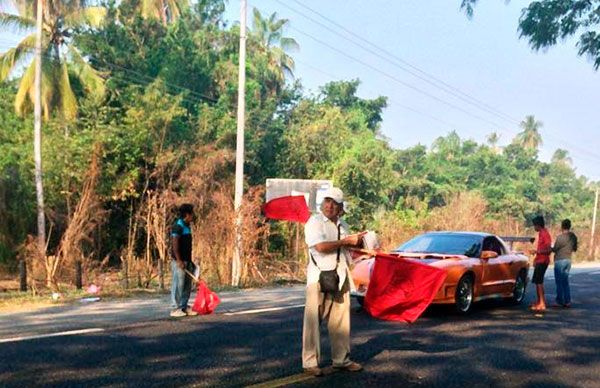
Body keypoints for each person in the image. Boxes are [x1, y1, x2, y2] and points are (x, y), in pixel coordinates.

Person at [302, 187, 364, 376]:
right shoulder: (314, 222)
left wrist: (359, 242)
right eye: (327, 201)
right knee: (313, 321)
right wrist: (346, 241)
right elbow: (320, 247)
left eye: (334, 203)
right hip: (319, 277)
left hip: (341, 275)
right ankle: (310, 362)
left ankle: (341, 360)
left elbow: (347, 249)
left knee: (341, 322)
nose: (329, 206)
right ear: (322, 203)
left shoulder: (343, 225)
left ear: (340, 208)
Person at [170, 204, 198, 318]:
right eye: (192, 213)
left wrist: (190, 261)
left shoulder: (188, 226)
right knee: (178, 284)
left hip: (187, 260)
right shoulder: (178, 226)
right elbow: (175, 244)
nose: (193, 216)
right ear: (187, 214)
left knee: (187, 285)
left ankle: (184, 306)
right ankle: (175, 308)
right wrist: (179, 260)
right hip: (179, 261)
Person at [552, 219, 578, 308]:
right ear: (569, 226)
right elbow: (575, 248)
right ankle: (567, 301)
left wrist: (550, 248)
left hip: (559, 260)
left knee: (559, 282)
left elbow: (554, 249)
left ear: (562, 226)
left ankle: (559, 300)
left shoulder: (560, 237)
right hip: (568, 260)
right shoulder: (573, 236)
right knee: (565, 282)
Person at [530, 215, 552, 311]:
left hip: (543, 261)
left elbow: (548, 249)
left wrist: (536, 252)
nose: (534, 228)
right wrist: (535, 258)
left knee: (539, 282)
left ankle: (542, 303)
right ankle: (539, 301)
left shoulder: (544, 234)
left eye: (534, 226)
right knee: (537, 282)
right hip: (540, 260)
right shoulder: (541, 233)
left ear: (538, 225)